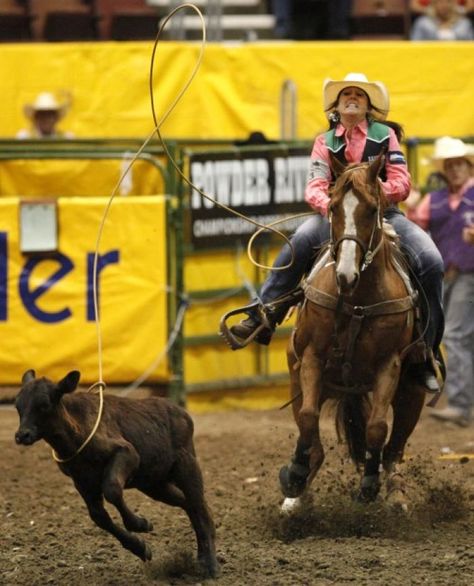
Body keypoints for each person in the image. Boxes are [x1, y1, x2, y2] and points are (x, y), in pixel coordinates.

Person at [230, 72, 445, 392]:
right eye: (347, 94)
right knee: (299, 242)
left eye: (359, 94)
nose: (352, 98)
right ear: (337, 104)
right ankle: (264, 313)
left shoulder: (385, 135)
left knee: (431, 260)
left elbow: (402, 180)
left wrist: (371, 196)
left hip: (382, 212)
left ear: (369, 104)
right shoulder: (325, 141)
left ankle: (425, 349)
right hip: (337, 215)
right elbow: (315, 186)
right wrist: (334, 206)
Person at [406, 137, 474, 426]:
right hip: (449, 276)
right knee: (460, 337)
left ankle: (460, 405)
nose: (456, 169)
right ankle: (462, 402)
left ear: (468, 167)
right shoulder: (434, 200)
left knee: (456, 336)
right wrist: (409, 207)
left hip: (468, 276)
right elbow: (416, 226)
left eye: (460, 164)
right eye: (451, 165)